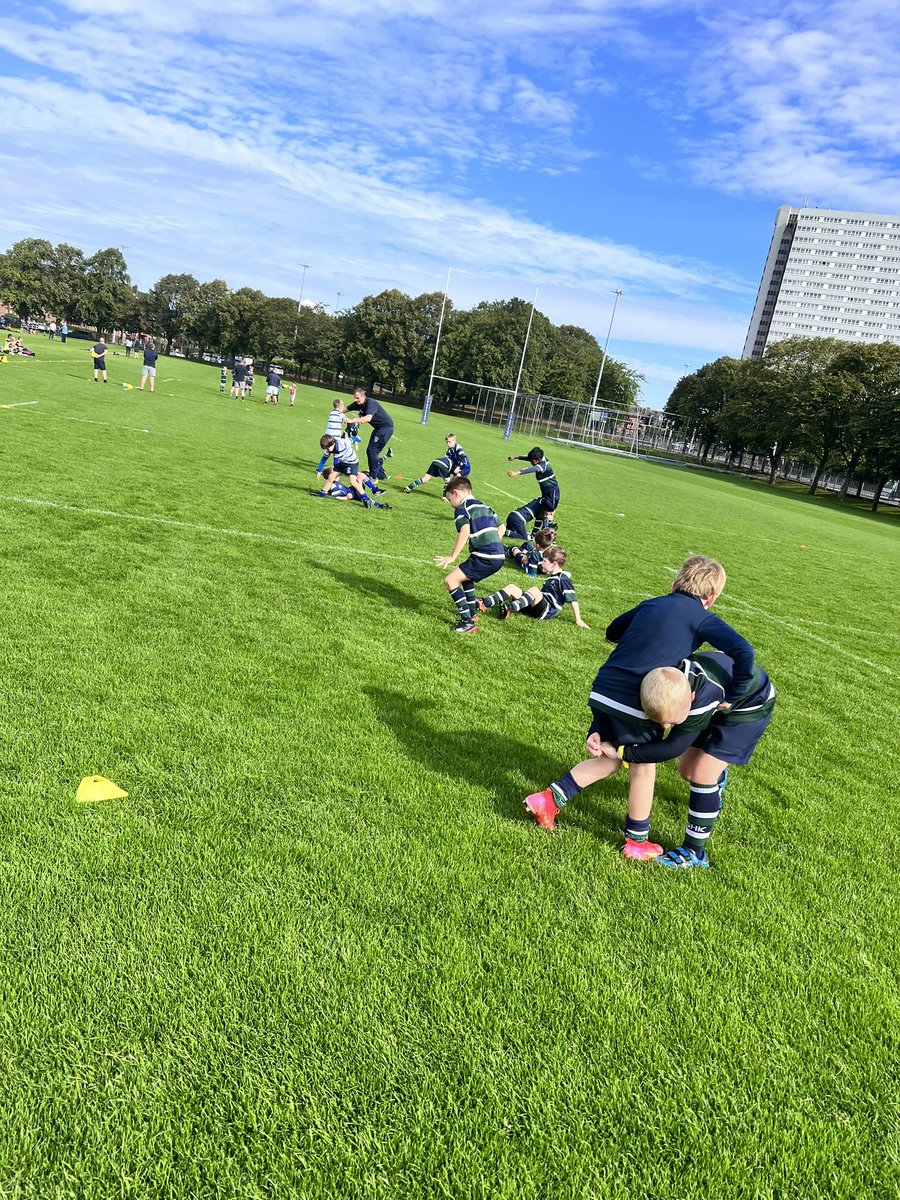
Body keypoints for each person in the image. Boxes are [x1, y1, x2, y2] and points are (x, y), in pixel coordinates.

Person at [522, 555, 755, 849]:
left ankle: (549, 800)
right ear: (711, 598)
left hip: (603, 689)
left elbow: (612, 631)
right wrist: (734, 694)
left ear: (674, 584)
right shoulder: (702, 618)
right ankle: (636, 842)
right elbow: (744, 651)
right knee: (643, 767)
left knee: (610, 759)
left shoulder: (651, 604)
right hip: (637, 700)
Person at [589, 650, 776, 868]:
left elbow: (671, 748)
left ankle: (694, 853)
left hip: (750, 706)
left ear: (691, 699)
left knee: (702, 773)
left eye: (672, 722)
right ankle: (716, 780)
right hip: (715, 702)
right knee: (687, 771)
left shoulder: (701, 698)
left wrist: (621, 752)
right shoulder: (667, 686)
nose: (666, 726)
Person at [434, 476, 506, 634]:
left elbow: (465, 531)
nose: (451, 504)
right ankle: (472, 613)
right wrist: (493, 542)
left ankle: (467, 622)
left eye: (450, 499)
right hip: (498, 555)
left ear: (456, 493)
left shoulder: (462, 509)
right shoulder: (485, 506)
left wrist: (452, 556)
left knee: (450, 580)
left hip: (485, 556)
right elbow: (502, 527)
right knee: (466, 578)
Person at [477, 546, 589, 628]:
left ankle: (509, 609)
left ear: (554, 564)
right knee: (512, 587)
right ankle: (484, 603)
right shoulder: (551, 577)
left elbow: (573, 600)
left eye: (544, 561)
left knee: (535, 590)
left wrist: (578, 620)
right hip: (536, 606)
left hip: (546, 611)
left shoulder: (563, 578)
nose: (540, 563)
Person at [505, 446, 559, 538]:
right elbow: (529, 458)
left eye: (532, 461)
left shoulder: (542, 466)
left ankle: (545, 538)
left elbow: (530, 469)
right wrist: (516, 457)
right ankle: (535, 534)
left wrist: (516, 473)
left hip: (552, 494)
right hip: (546, 493)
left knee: (547, 515)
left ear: (538, 460)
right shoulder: (539, 459)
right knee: (541, 512)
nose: (531, 462)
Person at [345, 386, 394, 481]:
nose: (356, 400)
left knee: (372, 450)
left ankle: (373, 476)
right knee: (372, 451)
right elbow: (344, 410)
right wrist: (336, 413)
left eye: (357, 398)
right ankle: (380, 474)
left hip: (386, 428)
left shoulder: (371, 403)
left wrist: (352, 420)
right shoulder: (358, 404)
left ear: (363, 396)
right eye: (354, 398)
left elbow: (368, 418)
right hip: (378, 428)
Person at [403, 434, 470, 493]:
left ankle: (457, 496)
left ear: (454, 441)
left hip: (464, 467)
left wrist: (458, 467)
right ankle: (409, 487)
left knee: (455, 481)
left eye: (449, 442)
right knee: (429, 479)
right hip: (455, 466)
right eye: (447, 442)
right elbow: (447, 462)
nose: (448, 444)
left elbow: (464, 459)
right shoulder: (448, 451)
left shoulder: (458, 448)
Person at [319, 435, 373, 507]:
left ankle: (366, 499)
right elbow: (324, 458)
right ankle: (322, 493)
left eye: (328, 447)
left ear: (333, 443)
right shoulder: (329, 448)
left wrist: (357, 439)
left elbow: (351, 439)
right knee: (331, 476)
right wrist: (319, 469)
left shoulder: (343, 443)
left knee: (353, 481)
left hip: (352, 463)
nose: (328, 449)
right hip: (343, 463)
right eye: (326, 448)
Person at [310, 479, 391, 509]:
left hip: (352, 493)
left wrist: (346, 498)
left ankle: (381, 505)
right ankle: (380, 503)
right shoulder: (334, 485)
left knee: (366, 499)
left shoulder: (352, 494)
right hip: (351, 492)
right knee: (366, 499)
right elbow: (336, 497)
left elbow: (337, 497)